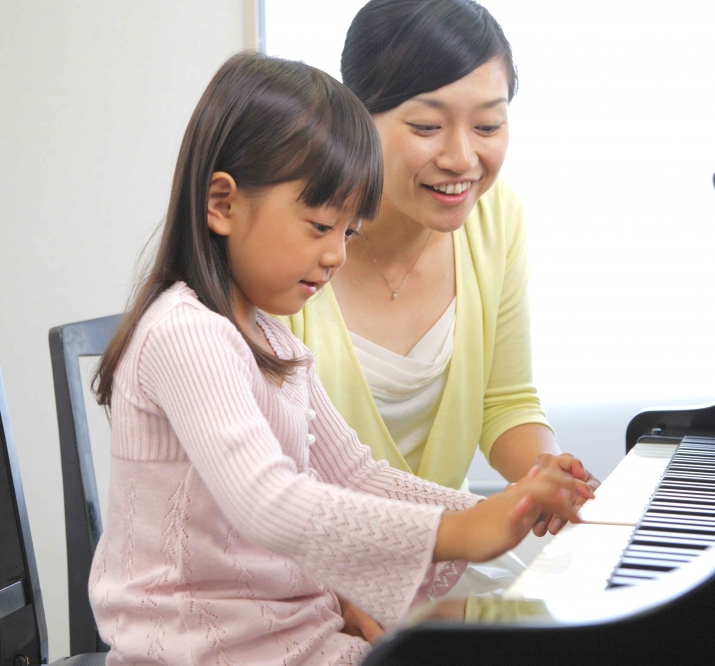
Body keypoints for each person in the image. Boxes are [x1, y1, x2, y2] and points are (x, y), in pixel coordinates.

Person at [87, 52, 591, 666]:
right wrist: (464, 530)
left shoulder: (276, 342)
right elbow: (268, 502)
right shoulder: (184, 333)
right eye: (320, 225)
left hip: (295, 640)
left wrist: (505, 509)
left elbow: (356, 475)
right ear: (222, 204)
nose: (336, 256)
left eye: (349, 233)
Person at [277, 0, 598, 546]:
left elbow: (507, 402)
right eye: (427, 125)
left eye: (488, 125)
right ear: (357, 115)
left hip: (438, 558)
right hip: (309, 567)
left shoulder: (495, 218)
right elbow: (273, 483)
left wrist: (549, 472)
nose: (462, 158)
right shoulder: (289, 235)